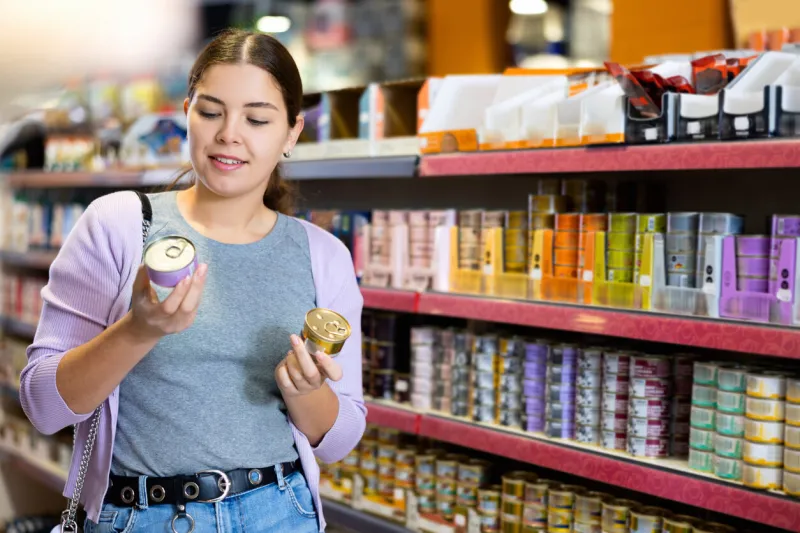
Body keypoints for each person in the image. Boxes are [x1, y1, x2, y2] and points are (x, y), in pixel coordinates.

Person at [19, 28, 365, 533]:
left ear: (291, 133)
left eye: (257, 118)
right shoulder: (118, 224)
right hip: (136, 517)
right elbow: (43, 407)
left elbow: (338, 440)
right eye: (210, 111)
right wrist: (139, 329)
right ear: (186, 111)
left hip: (279, 513)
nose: (229, 133)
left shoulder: (323, 256)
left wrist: (305, 390)